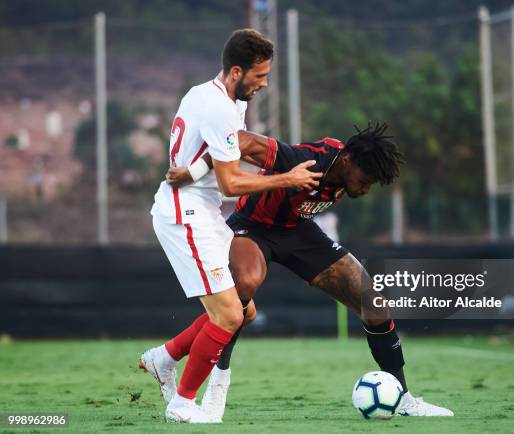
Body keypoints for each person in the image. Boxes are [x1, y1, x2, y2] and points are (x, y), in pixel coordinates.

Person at [167, 122, 454, 418]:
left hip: (296, 231)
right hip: (251, 226)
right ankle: (217, 385)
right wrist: (195, 171)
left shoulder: (344, 175)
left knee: (374, 304)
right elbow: (239, 141)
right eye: (365, 178)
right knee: (245, 284)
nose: (366, 188)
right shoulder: (308, 158)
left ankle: (404, 399)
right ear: (346, 160)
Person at [140, 29, 322, 424]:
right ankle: (183, 404)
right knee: (227, 316)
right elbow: (231, 183)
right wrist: (286, 179)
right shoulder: (220, 108)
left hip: (200, 208)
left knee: (244, 309)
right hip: (184, 215)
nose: (264, 84)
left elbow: (222, 149)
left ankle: (165, 357)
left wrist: (191, 170)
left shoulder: (210, 95)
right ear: (236, 71)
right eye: (260, 76)